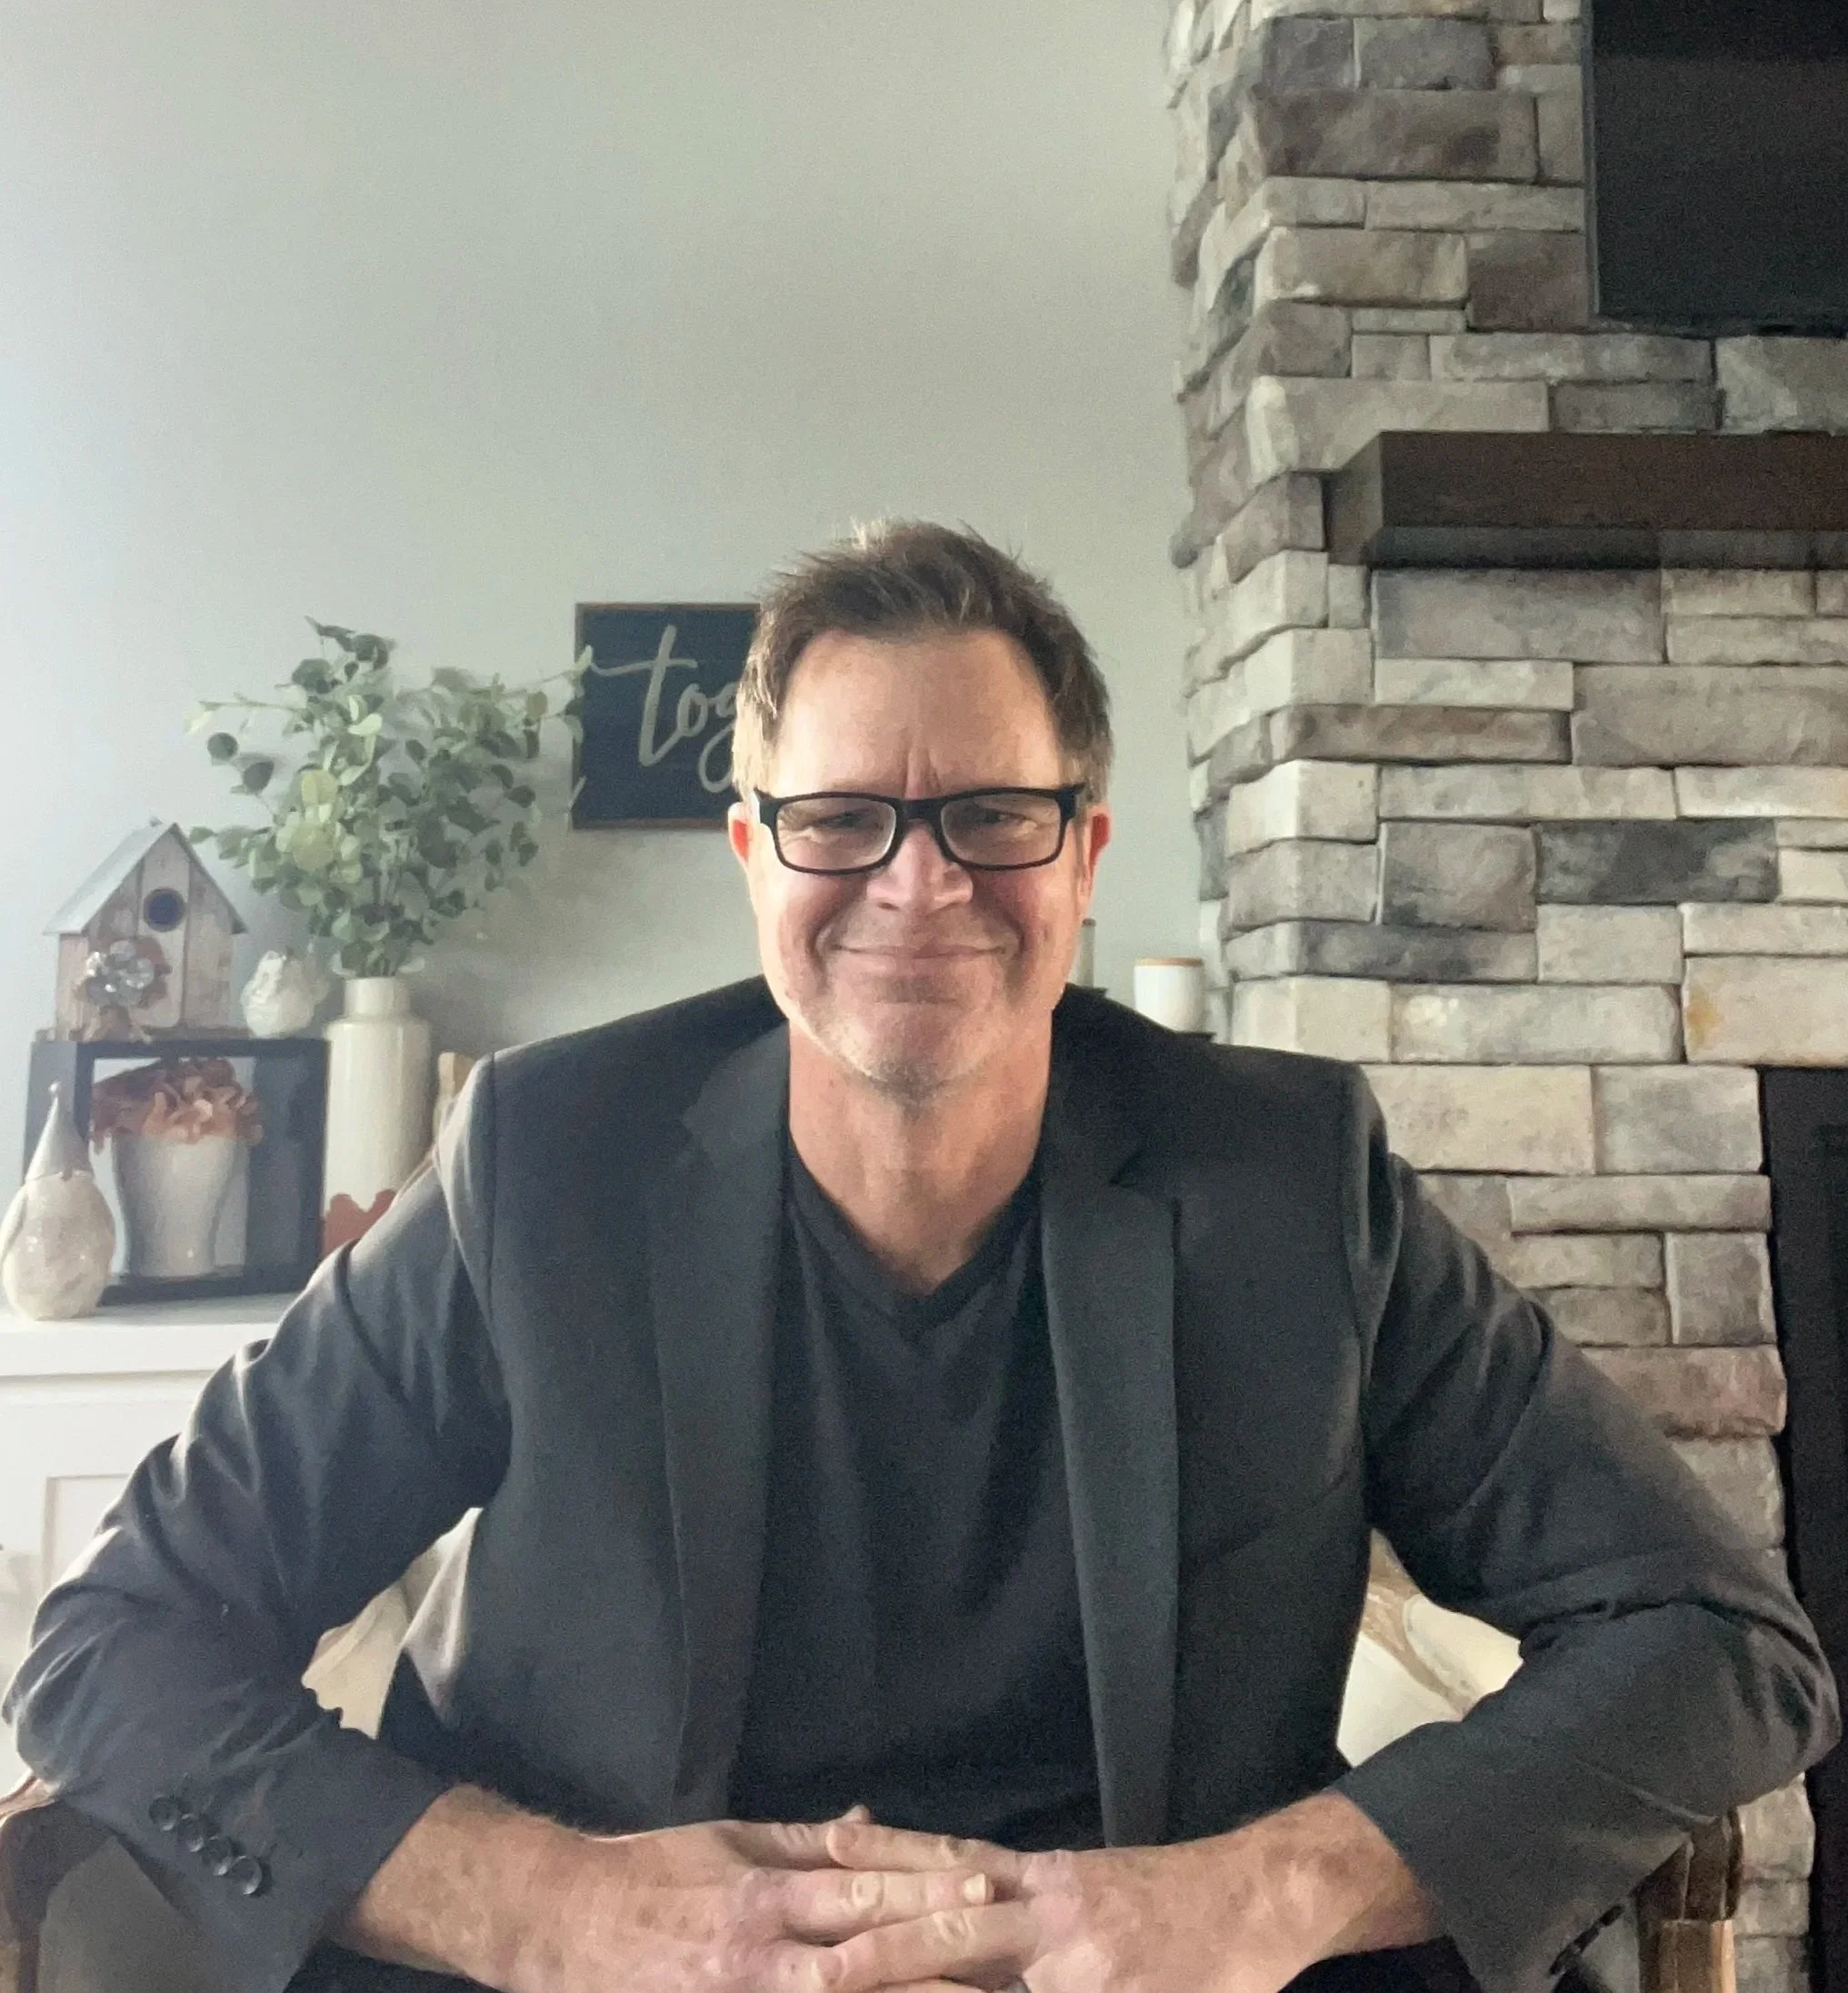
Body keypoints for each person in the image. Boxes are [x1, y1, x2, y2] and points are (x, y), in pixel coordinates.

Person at [4, 521, 1837, 1993]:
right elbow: (113, 1643)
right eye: (840, 819)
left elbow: (1716, 1641)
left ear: (1083, 851)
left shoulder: (1289, 1182)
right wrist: (550, 1907)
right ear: (753, 851)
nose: (917, 882)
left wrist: (1255, 1892)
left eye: (989, 815)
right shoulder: (542, 1166)